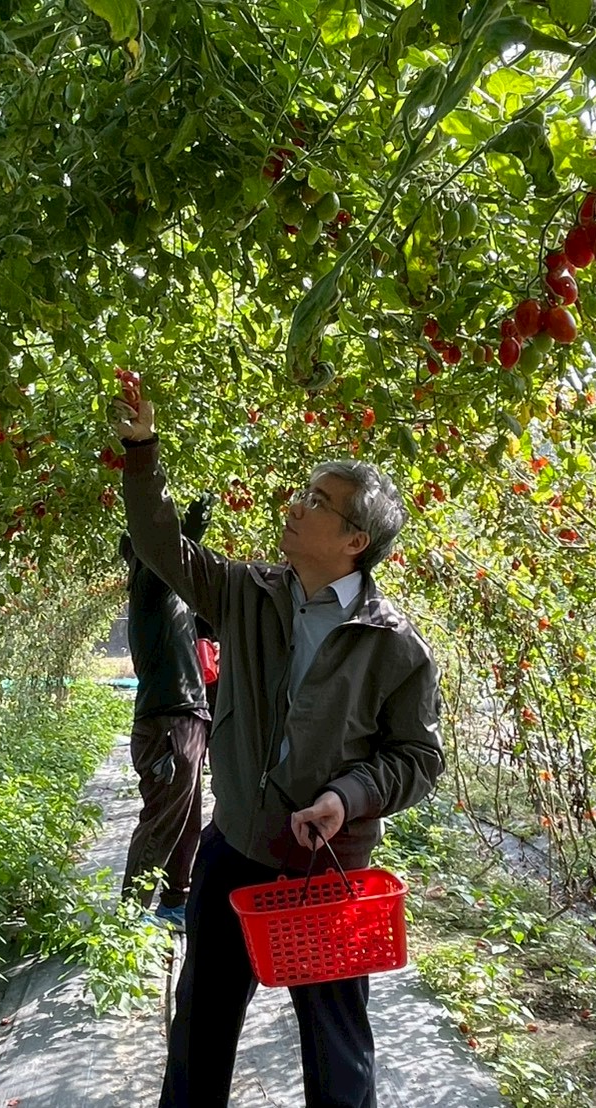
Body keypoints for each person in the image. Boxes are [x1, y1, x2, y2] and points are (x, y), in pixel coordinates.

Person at [114, 393, 446, 1108]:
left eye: (317, 501)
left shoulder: (394, 647)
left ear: (354, 539)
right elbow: (158, 543)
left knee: (337, 1055)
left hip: (325, 871)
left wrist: (343, 798)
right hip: (233, 851)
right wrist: (142, 453)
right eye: (302, 493)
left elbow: (418, 757)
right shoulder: (247, 593)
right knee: (200, 1031)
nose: (295, 506)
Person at [118, 493, 216, 928]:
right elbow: (168, 554)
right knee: (162, 819)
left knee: (185, 817)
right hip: (169, 724)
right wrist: (192, 526)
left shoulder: (173, 601)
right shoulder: (148, 586)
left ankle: (176, 900)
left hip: (185, 719)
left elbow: (213, 619)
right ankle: (130, 916)